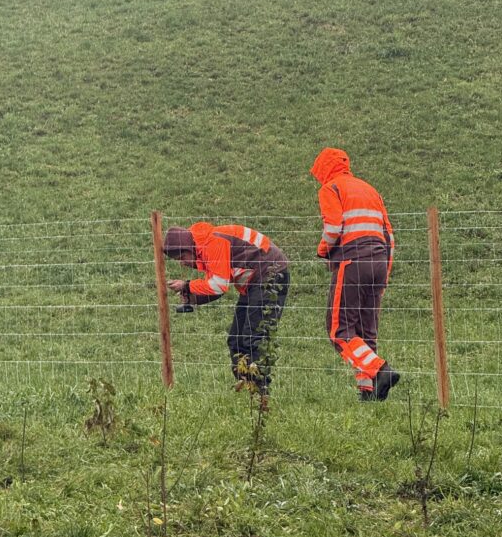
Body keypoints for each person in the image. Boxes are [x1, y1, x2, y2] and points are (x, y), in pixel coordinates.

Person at [311, 147, 400, 401]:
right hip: (380, 261)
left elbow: (333, 228)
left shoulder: (331, 188)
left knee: (339, 330)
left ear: (323, 169)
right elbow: (389, 235)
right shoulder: (369, 189)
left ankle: (380, 370)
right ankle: (368, 390)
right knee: (366, 329)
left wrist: (323, 251)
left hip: (352, 261)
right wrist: (385, 274)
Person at [163, 222, 289, 397]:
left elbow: (218, 286)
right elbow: (215, 287)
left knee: (253, 339)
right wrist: (192, 297)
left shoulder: (213, 243)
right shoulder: (204, 245)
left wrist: (188, 285)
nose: (183, 263)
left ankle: (261, 395)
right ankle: (247, 390)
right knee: (236, 341)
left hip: (270, 276)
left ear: (187, 247)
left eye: (181, 257)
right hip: (255, 282)